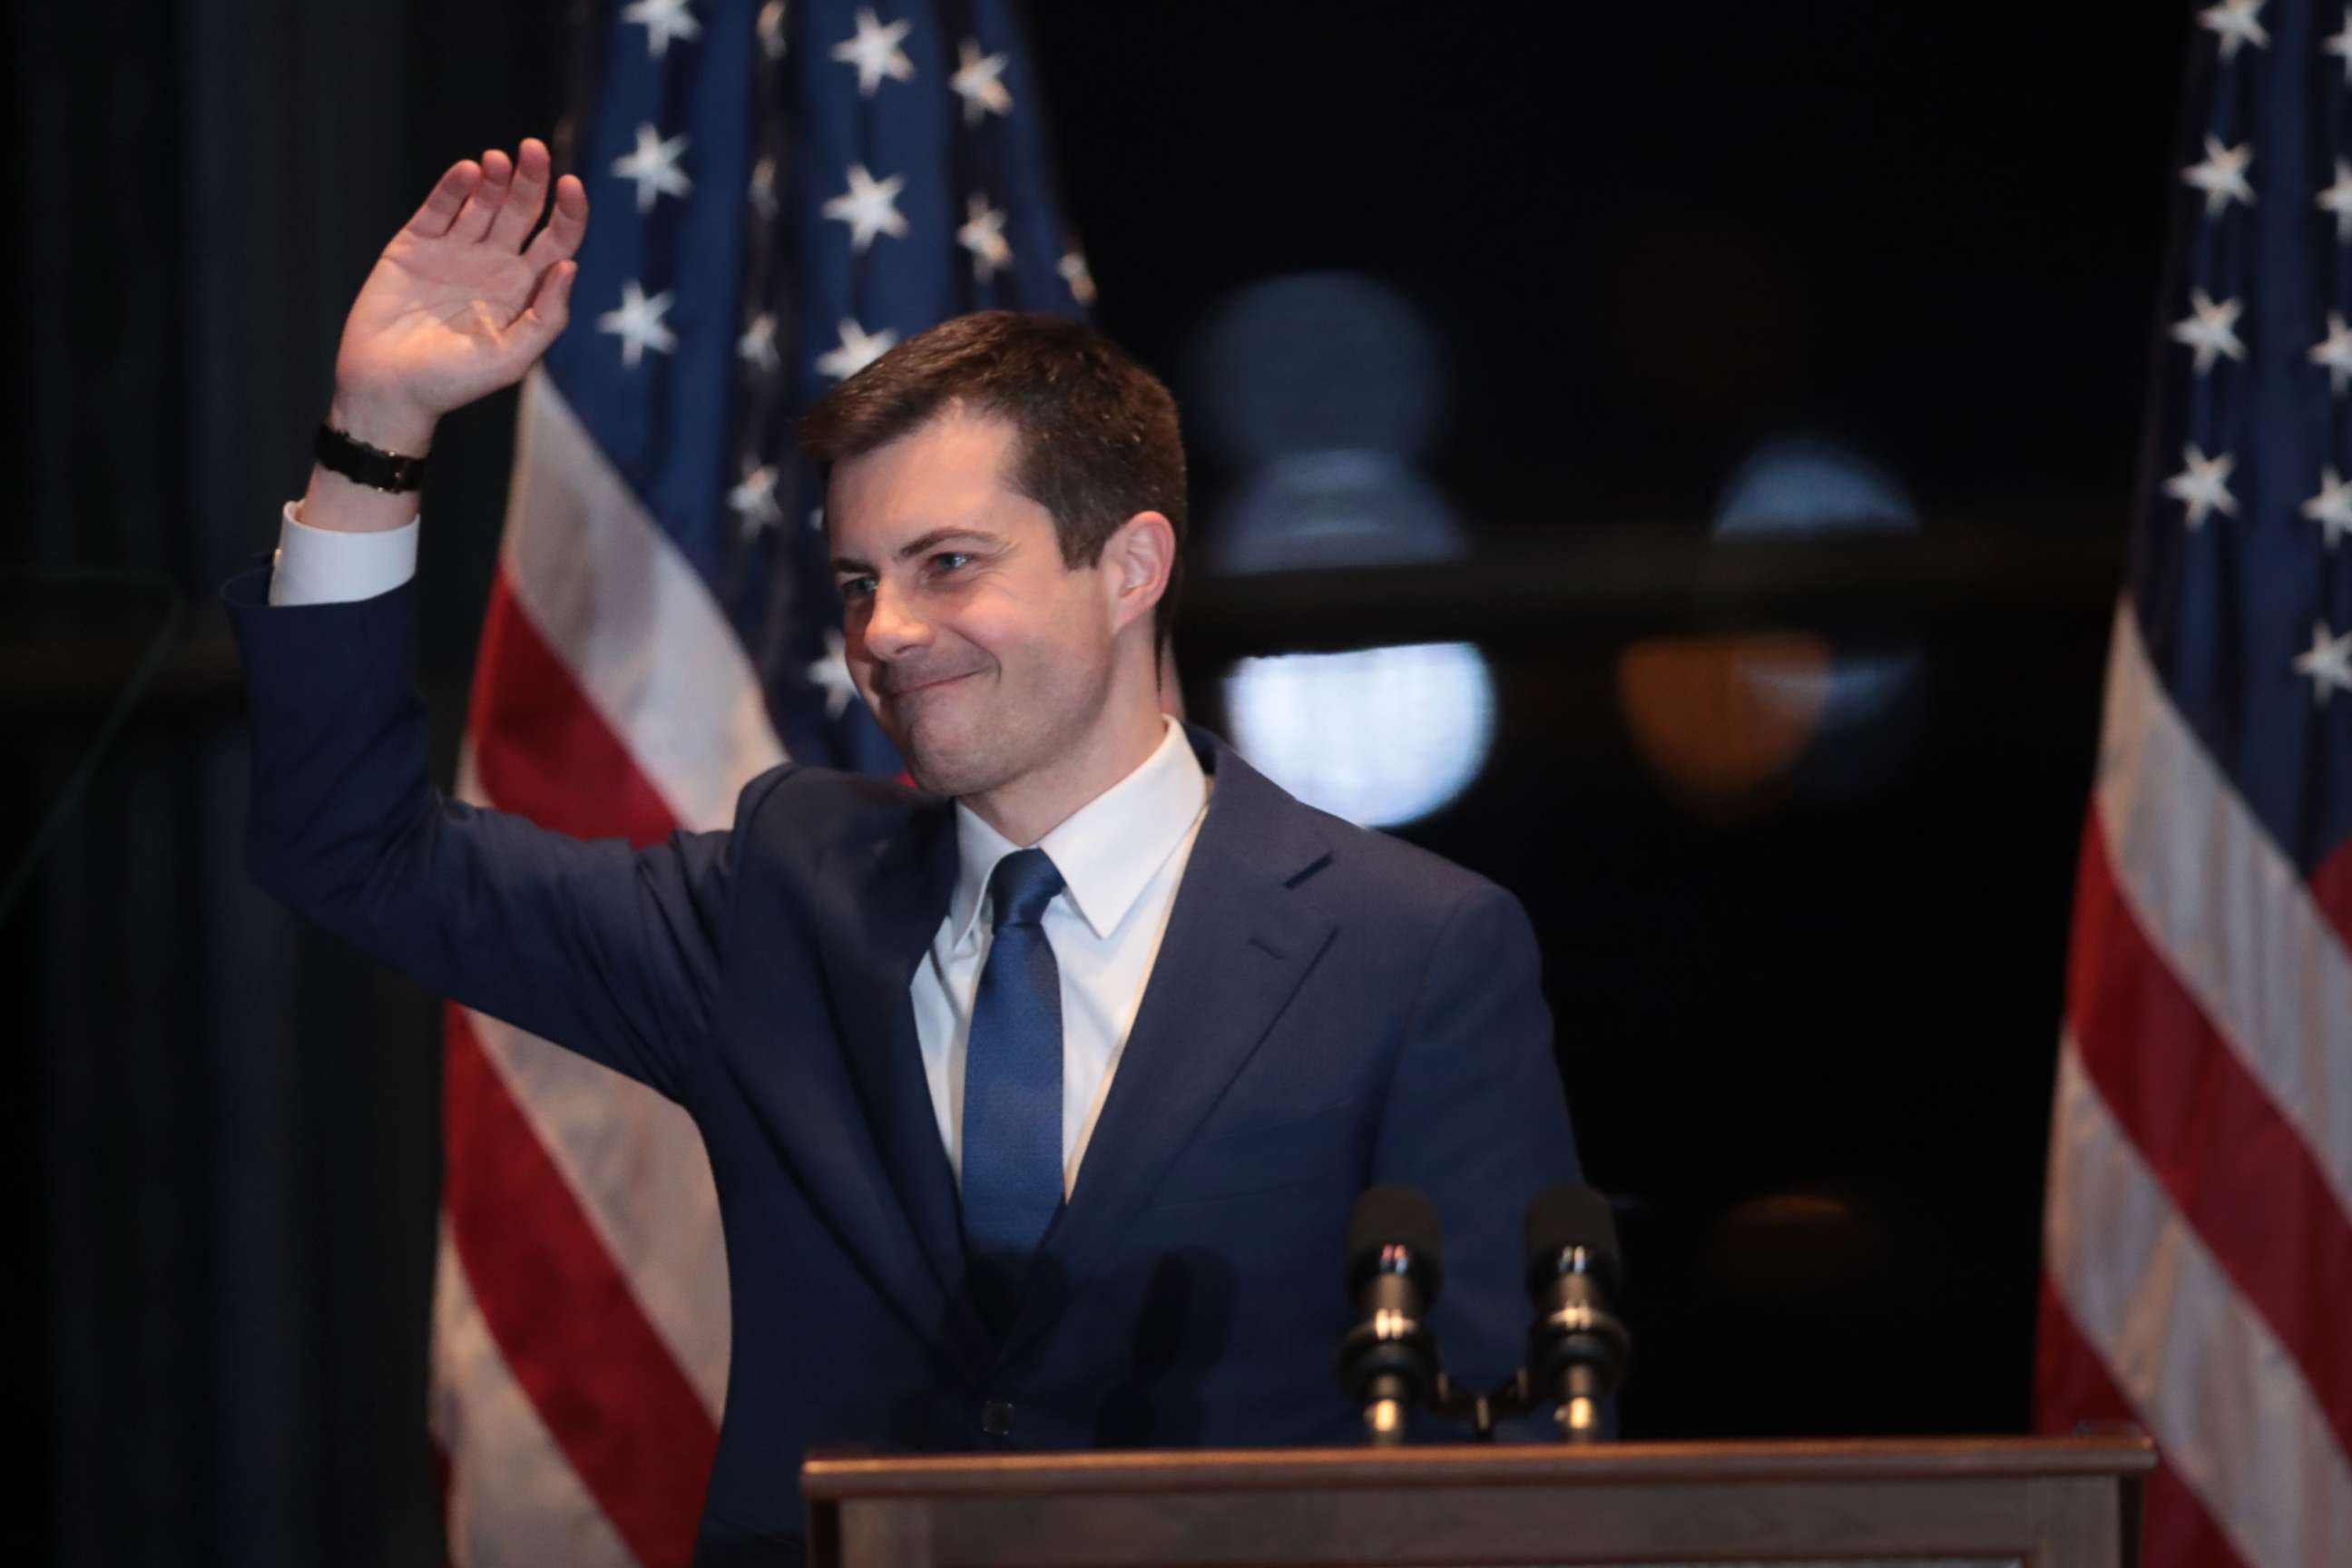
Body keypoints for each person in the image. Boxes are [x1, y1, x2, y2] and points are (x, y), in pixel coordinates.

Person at [227, 137, 1582, 1563]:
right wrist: (376, 426)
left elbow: (1504, 1451)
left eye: (949, 565)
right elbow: (347, 843)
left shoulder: (1409, 947)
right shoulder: (778, 901)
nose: (882, 633)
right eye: (862, 583)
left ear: (1130, 568)